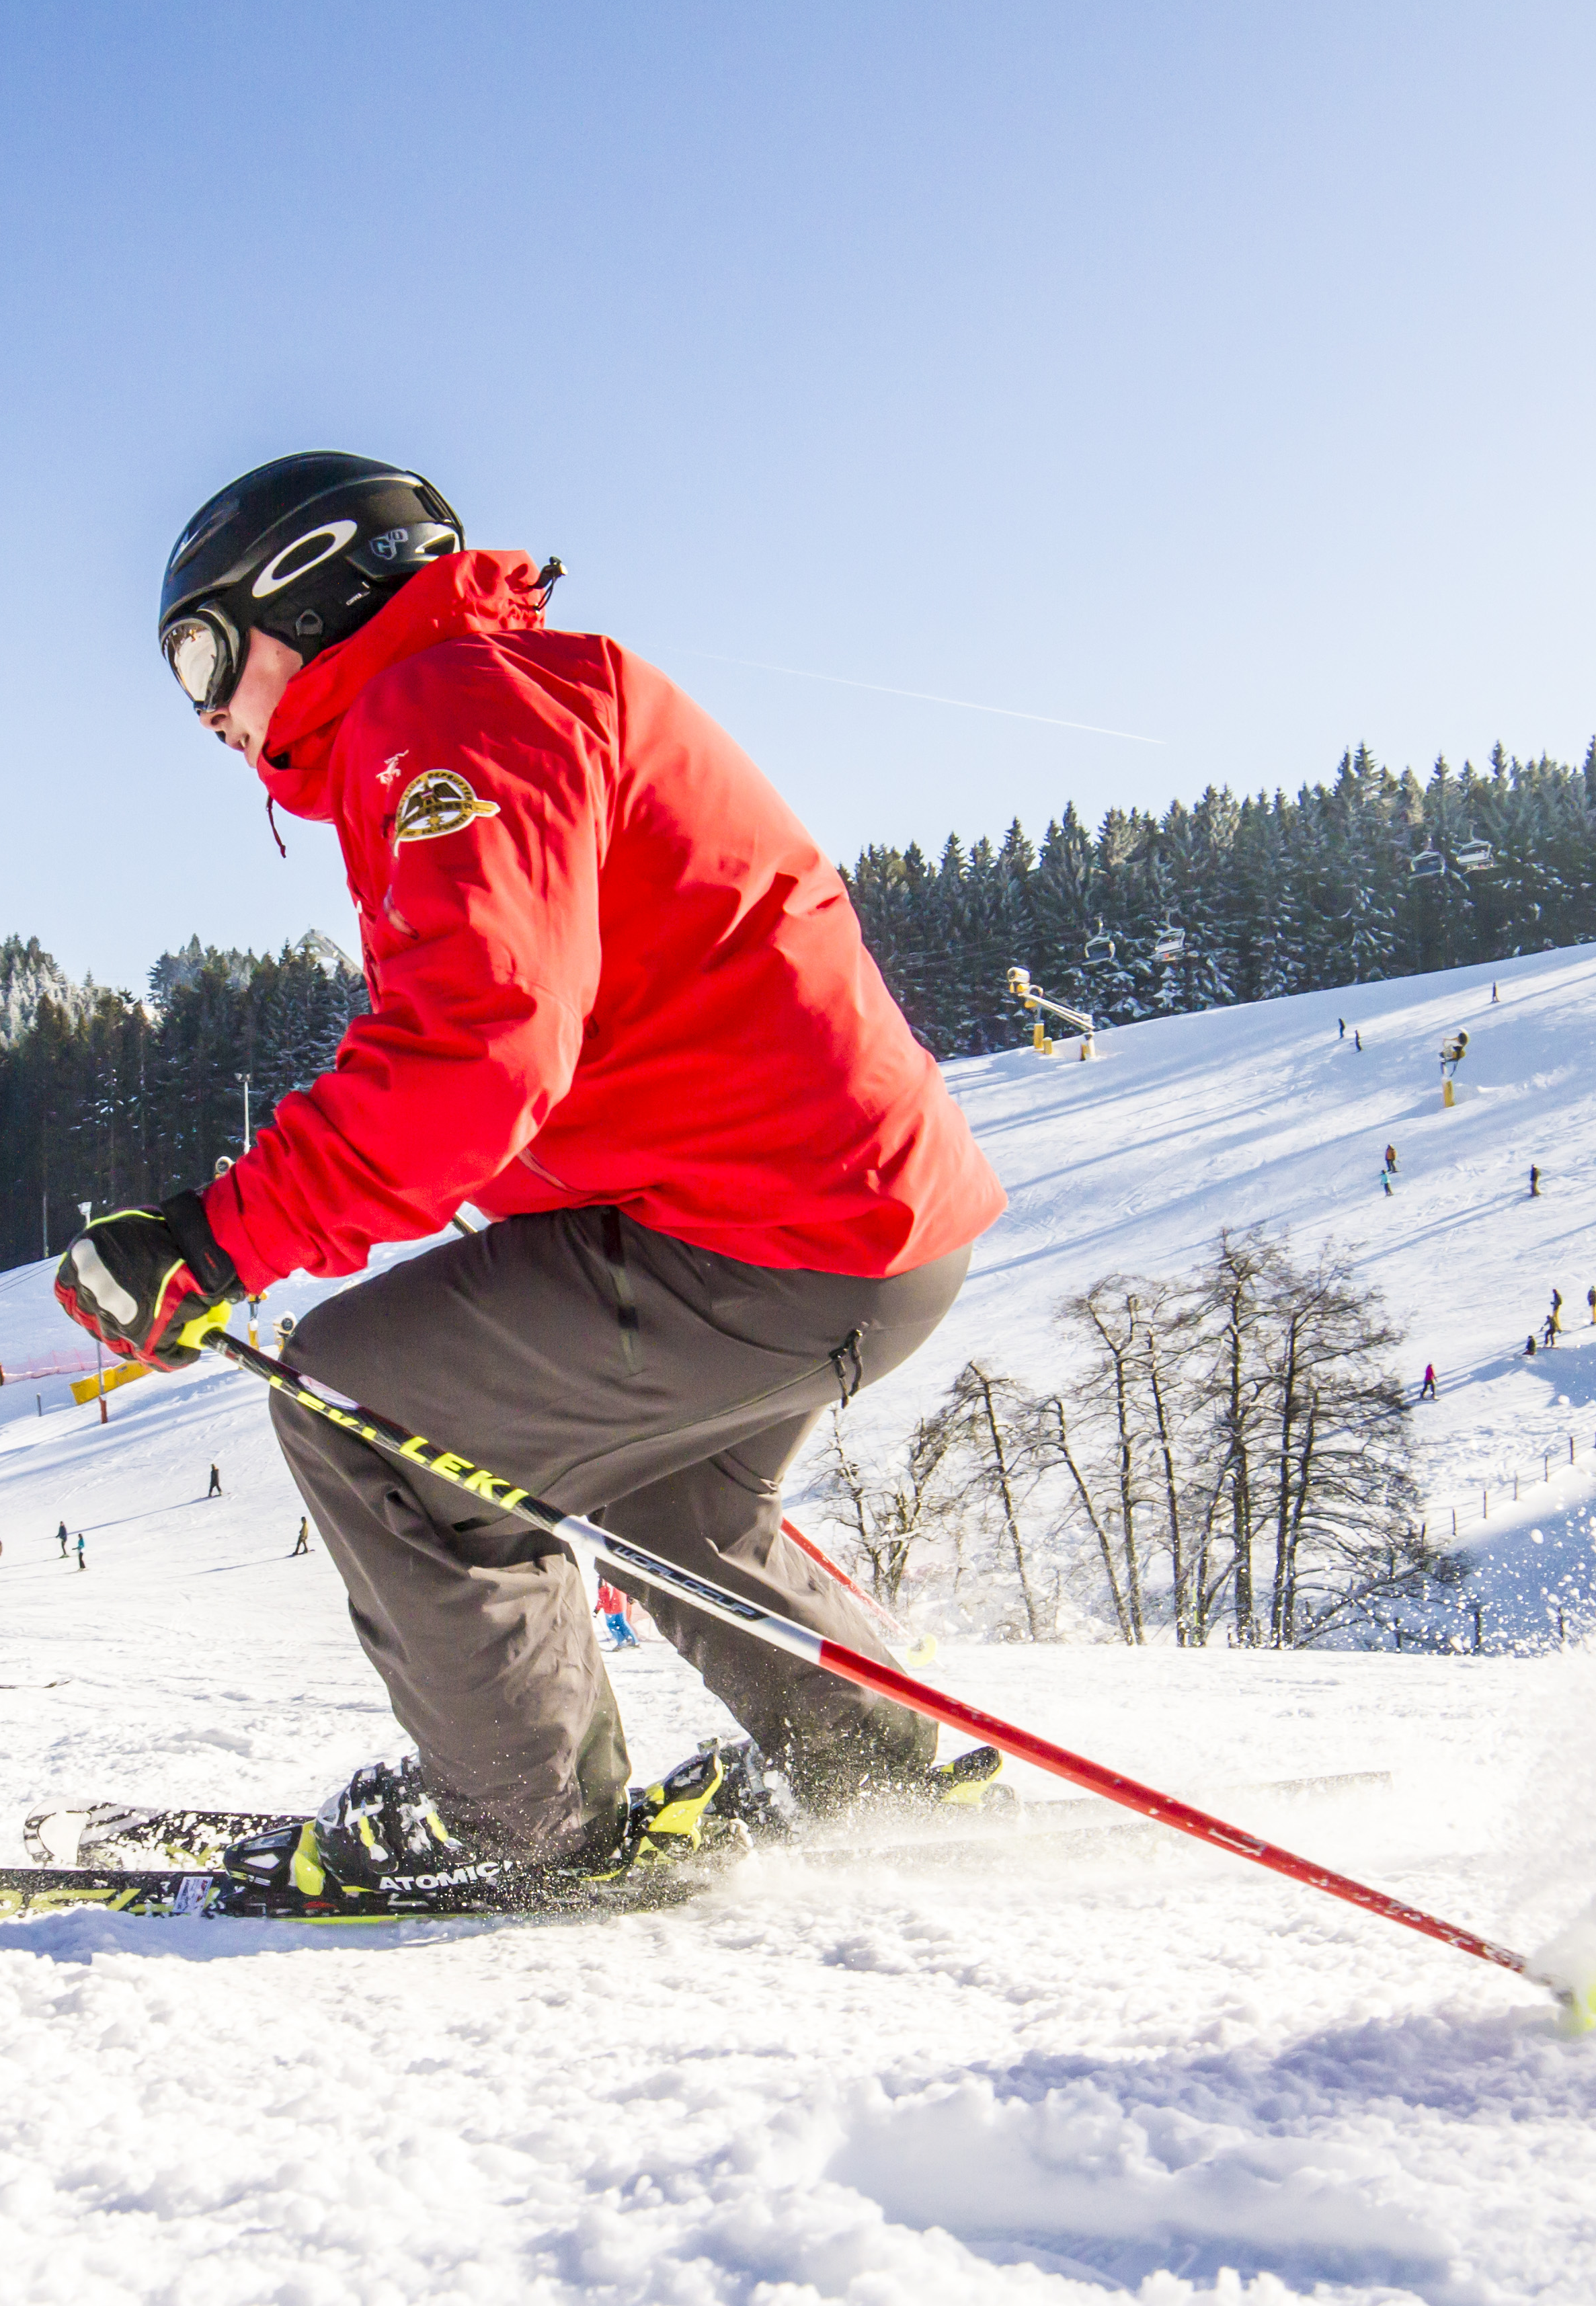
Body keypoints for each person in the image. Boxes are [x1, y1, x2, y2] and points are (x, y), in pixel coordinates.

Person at [56, 452, 1004, 1911]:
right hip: (852, 1230)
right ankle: (868, 1759)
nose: (204, 708)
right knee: (666, 1496)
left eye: (203, 653)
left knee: (368, 1411)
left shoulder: (445, 711)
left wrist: (218, 1239)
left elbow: (474, 1058)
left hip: (766, 1232)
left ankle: (523, 1818)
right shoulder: (494, 689)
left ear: (306, 595)